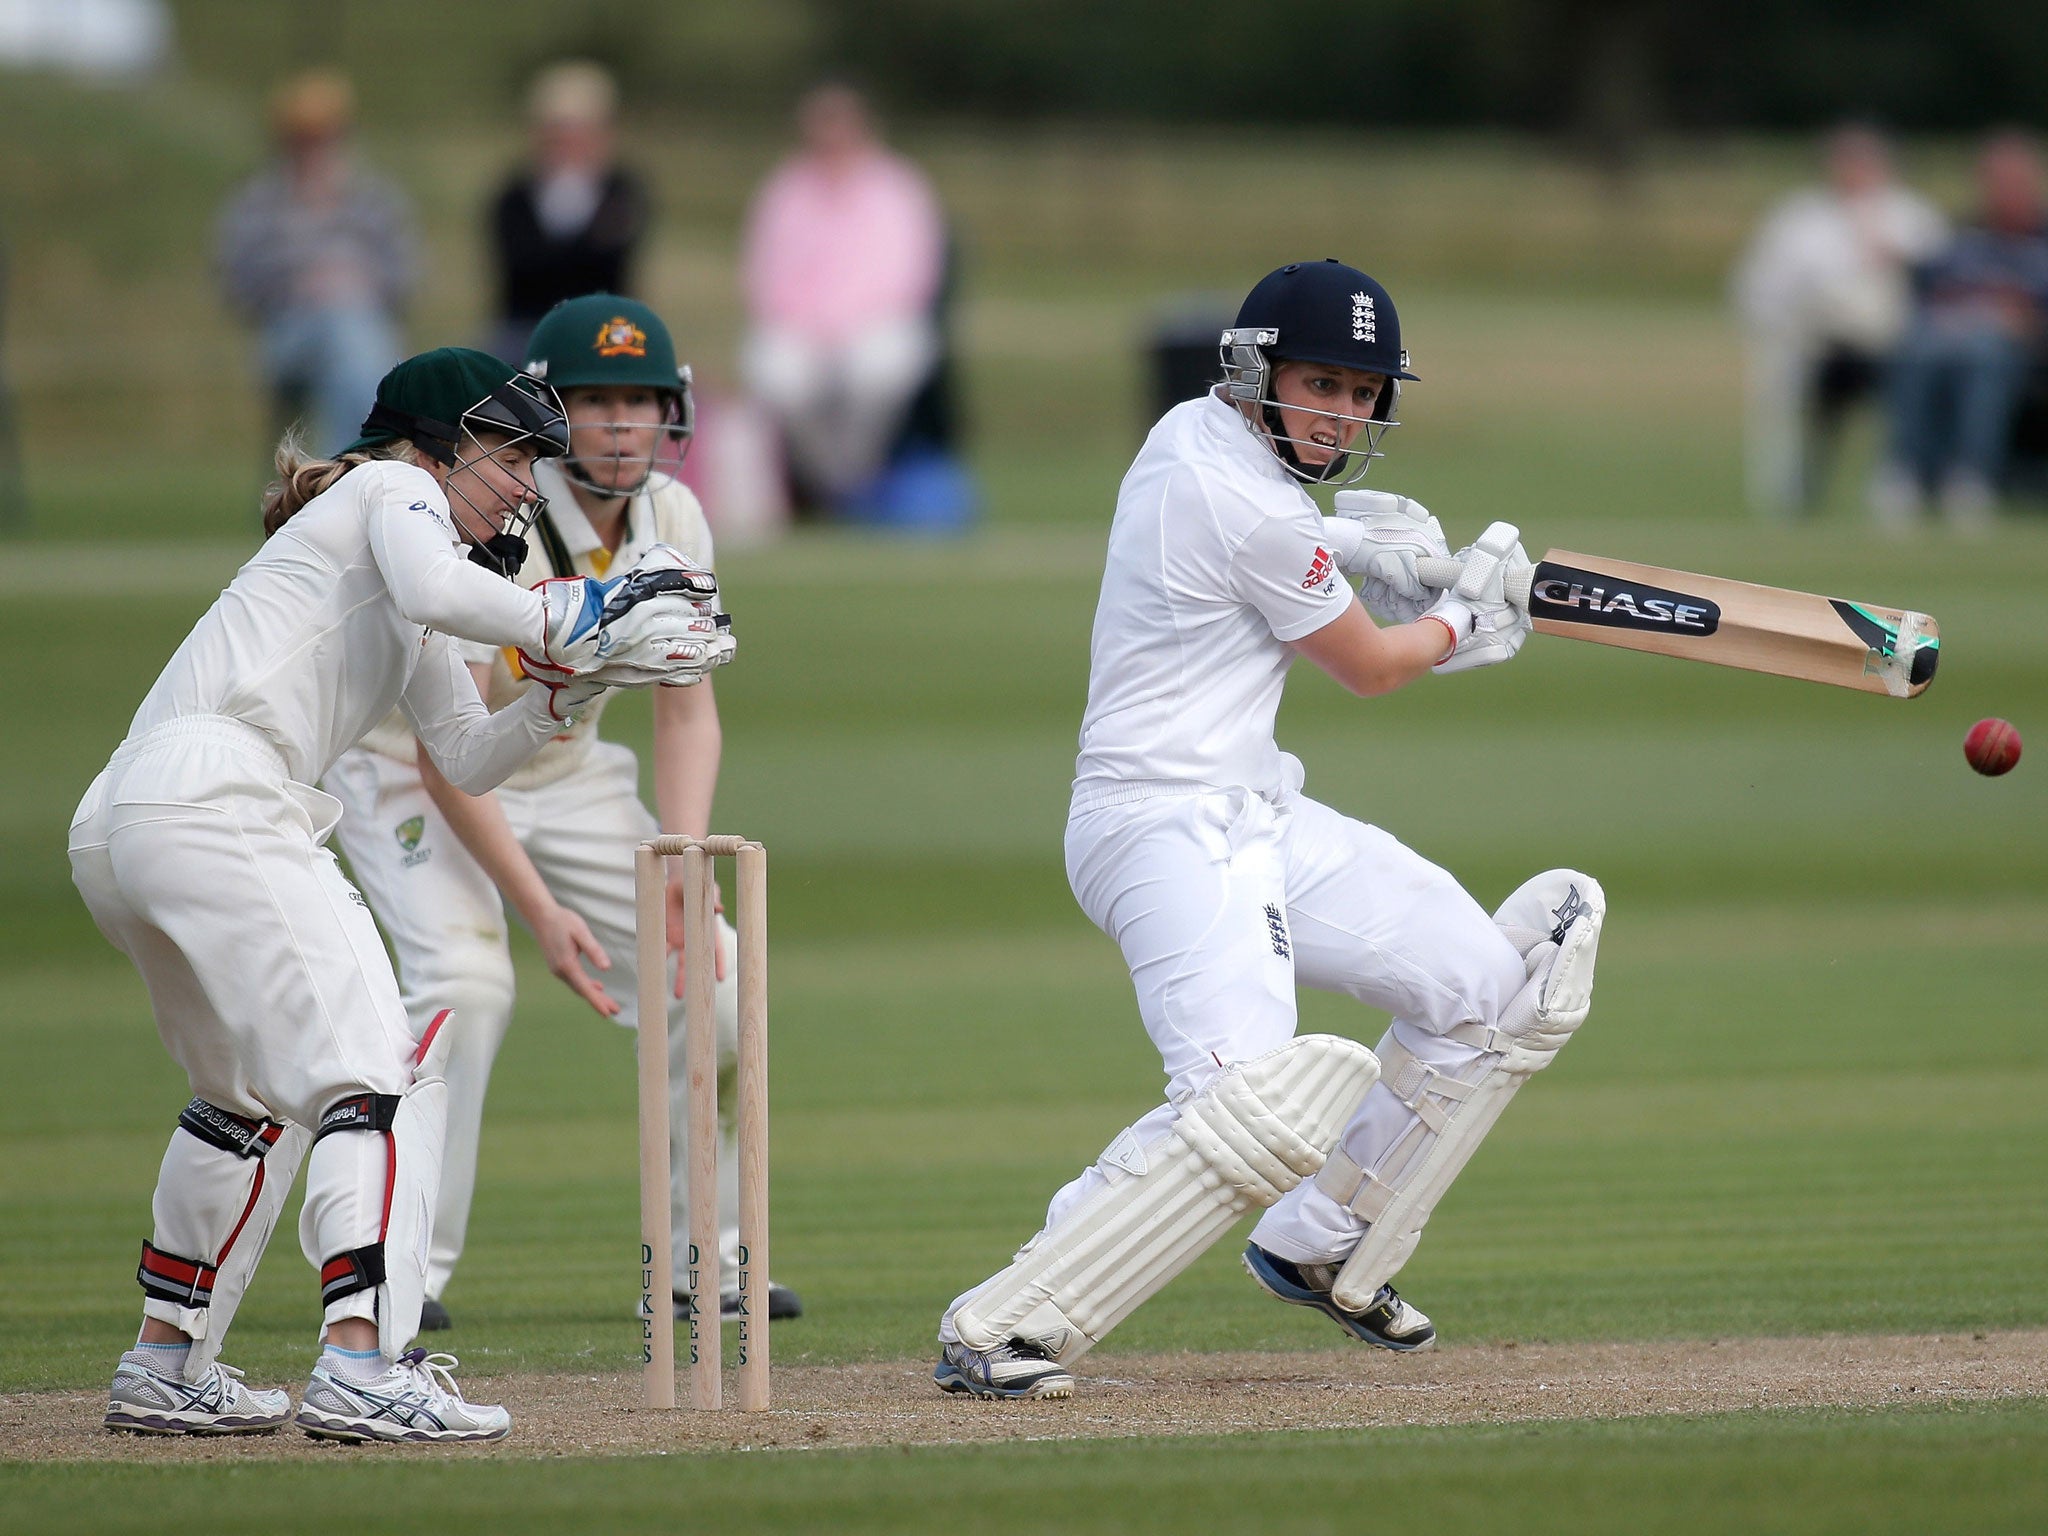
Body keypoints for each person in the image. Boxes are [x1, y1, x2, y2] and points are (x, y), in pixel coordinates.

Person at [930, 260, 1605, 1400]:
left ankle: (1320, 1236)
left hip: (1256, 809)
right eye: (1320, 383)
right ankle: (1005, 1320)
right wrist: (1456, 614)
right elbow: (1373, 666)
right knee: (1246, 1103)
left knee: (1484, 989)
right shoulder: (1240, 496)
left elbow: (1281, 544)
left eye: (1361, 391)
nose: (1342, 412)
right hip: (1160, 828)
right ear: (1254, 372)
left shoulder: (1203, 441)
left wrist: (1347, 546)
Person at [69, 348, 733, 1442]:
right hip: (222, 800)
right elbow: (443, 586)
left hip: (130, 822)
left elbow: (468, 754)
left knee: (239, 1100)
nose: (527, 483)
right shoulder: (392, 489)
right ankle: (362, 1365)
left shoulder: (408, 576)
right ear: (438, 442)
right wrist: (590, 605)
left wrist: (575, 684)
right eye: (510, 453)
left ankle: (166, 1362)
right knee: (378, 1072)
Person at [325, 295, 801, 1335]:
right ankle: (405, 1269)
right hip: (413, 770)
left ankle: (703, 1259)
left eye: (639, 400)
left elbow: (687, 707)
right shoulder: (501, 513)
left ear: (669, 413)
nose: (622, 424)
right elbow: (451, 749)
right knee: (467, 983)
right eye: (595, 401)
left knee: (714, 973)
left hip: (571, 770)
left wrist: (681, 860)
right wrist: (539, 914)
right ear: (547, 413)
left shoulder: (674, 516)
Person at [739, 82, 946, 510]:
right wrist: (811, 323)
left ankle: (855, 476)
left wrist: (847, 321)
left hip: (876, 321)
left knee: (877, 370)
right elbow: (764, 273)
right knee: (778, 375)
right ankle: (826, 480)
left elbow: (911, 274)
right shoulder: (786, 190)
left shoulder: (897, 188)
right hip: (801, 326)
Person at [1732, 125, 1947, 518]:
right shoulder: (1797, 219)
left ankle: (1902, 480)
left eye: (1865, 163)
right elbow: (1756, 288)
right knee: (1803, 384)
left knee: (1923, 368)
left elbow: (1942, 288)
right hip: (1818, 346)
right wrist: (1797, 321)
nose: (1855, 172)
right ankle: (1795, 489)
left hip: (1897, 349)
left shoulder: (1912, 217)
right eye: (1846, 162)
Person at [216, 69, 416, 455]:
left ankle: (342, 468)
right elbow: (234, 282)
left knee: (350, 335)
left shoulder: (374, 199)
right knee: (347, 333)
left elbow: (407, 275)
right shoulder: (259, 203)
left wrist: (358, 282)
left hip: (365, 325)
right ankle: (359, 462)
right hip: (287, 333)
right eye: (305, 138)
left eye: (325, 136)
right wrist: (299, 286)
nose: (316, 148)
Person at [1874, 131, 2048, 529]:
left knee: (1983, 355)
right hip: (1950, 339)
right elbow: (1931, 289)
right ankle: (1907, 471)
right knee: (1915, 347)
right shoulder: (1964, 237)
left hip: (2024, 352)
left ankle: (1971, 476)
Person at [486, 62, 649, 366]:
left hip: (605, 328)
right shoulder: (515, 196)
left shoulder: (623, 191)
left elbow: (611, 270)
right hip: (527, 329)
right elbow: (521, 272)